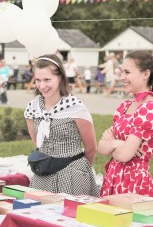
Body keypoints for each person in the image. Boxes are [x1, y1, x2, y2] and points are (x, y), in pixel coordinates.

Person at [24, 54, 99, 196]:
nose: (42, 85)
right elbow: (38, 143)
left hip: (72, 174)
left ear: (60, 78)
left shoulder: (75, 107)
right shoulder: (32, 108)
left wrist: (80, 172)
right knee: (39, 215)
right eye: (38, 80)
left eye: (47, 80)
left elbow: (91, 148)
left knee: (71, 216)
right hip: (43, 173)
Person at [98, 50, 153, 197]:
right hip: (113, 177)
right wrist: (118, 143)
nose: (122, 77)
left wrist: (113, 144)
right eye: (122, 72)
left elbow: (124, 156)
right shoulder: (125, 106)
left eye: (127, 72)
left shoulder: (149, 108)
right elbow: (101, 148)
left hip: (133, 182)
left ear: (145, 74)